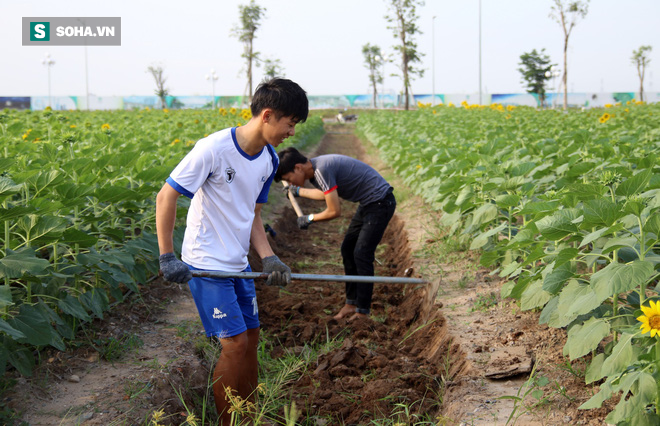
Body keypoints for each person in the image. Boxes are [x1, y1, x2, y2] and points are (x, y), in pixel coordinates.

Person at [155, 78, 308, 423]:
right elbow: (167, 195)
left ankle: (250, 414)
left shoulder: (268, 160)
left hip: (238, 263)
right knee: (234, 345)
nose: (291, 132)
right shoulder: (214, 148)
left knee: (251, 339)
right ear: (268, 115)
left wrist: (268, 256)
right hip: (207, 263)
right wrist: (167, 255)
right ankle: (230, 421)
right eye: (290, 123)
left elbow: (252, 214)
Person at [275, 147, 396, 322]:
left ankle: (363, 311)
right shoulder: (316, 170)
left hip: (380, 202)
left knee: (362, 253)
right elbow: (326, 193)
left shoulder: (322, 169)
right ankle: (351, 303)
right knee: (348, 249)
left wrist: (310, 218)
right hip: (369, 203)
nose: (290, 182)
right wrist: (298, 191)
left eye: (288, 179)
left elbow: (334, 210)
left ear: (298, 168)